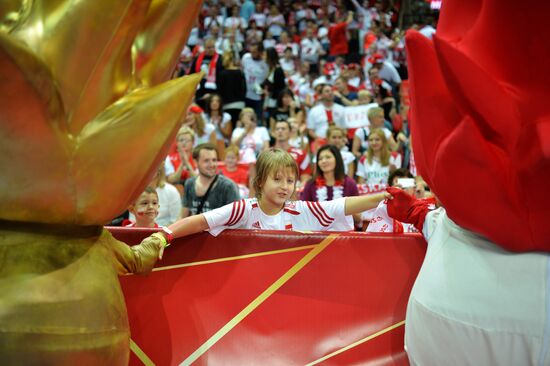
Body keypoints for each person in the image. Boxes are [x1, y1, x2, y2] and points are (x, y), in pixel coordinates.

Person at [141, 149, 388, 242]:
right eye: (277, 179)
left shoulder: (299, 209)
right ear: (260, 182)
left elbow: (340, 206)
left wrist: (384, 195)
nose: (285, 187)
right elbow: (201, 221)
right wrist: (163, 237)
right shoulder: (244, 208)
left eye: (290, 181)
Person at [181, 143, 240, 217]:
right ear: (195, 163)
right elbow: (183, 218)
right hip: (195, 228)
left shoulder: (228, 186)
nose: (212, 164)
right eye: (206, 161)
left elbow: (236, 220)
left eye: (214, 160)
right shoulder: (189, 184)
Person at [272, 120, 311, 185]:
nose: (280, 131)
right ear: (273, 133)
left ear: (290, 132)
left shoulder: (301, 154)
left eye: (283, 128)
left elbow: (305, 178)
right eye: (277, 129)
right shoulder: (266, 154)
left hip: (295, 191)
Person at [217, 51, 246, 129]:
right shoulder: (240, 72)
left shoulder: (222, 74)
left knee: (229, 129)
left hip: (227, 105)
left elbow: (220, 91)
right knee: (239, 128)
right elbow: (244, 89)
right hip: (239, 104)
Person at [241, 42, 269, 124]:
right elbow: (241, 70)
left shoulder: (265, 64)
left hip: (258, 96)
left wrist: (264, 89)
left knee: (257, 120)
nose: (252, 54)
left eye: (254, 52)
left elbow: (267, 79)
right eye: (251, 52)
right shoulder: (246, 57)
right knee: (245, 118)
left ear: (260, 52)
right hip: (245, 93)